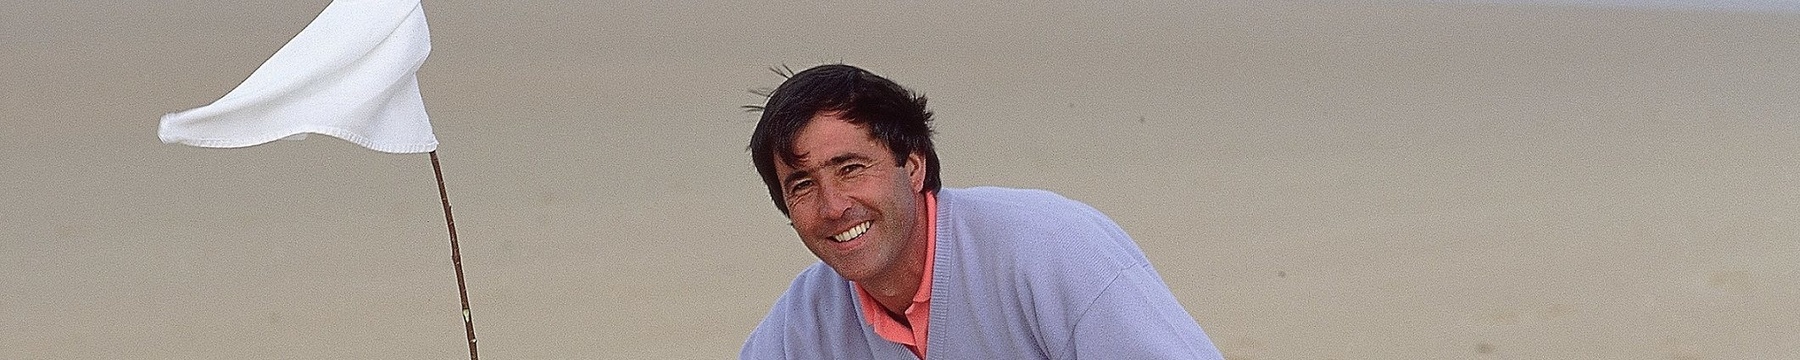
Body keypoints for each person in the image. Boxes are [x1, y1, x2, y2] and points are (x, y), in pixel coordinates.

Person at [740, 64, 1222, 359]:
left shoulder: (1049, 250)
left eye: (850, 168)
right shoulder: (806, 322)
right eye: (801, 185)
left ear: (911, 165)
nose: (833, 206)